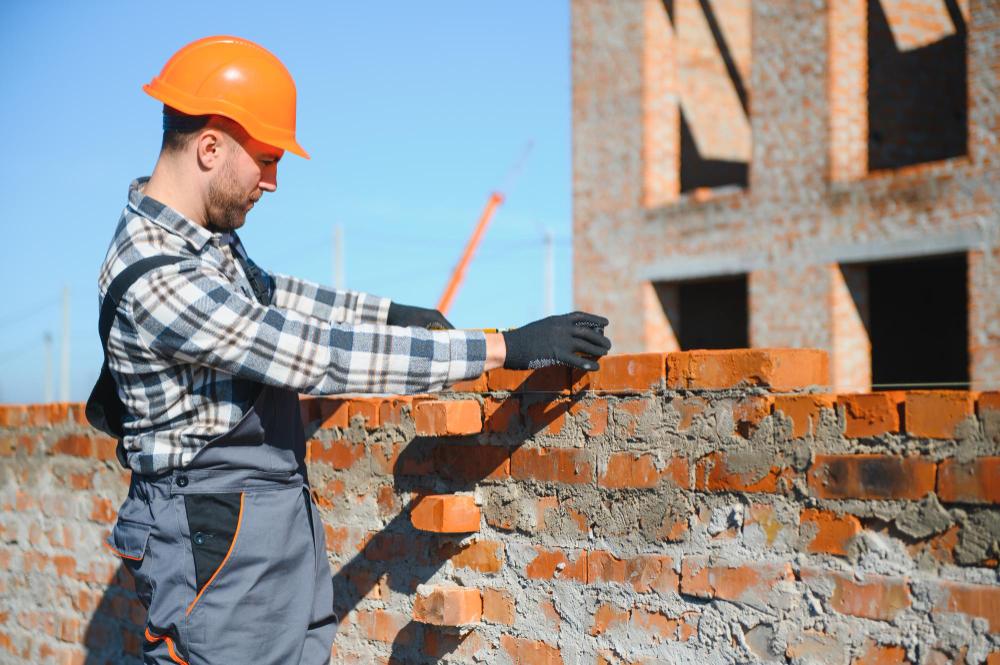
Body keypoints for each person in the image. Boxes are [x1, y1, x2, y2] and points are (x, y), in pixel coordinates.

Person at [90, 35, 611, 664]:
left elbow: (279, 297)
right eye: (267, 158)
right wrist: (502, 348)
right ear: (209, 147)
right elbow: (311, 354)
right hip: (214, 536)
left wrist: (393, 314)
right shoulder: (159, 276)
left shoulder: (202, 244)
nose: (273, 182)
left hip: (261, 521)